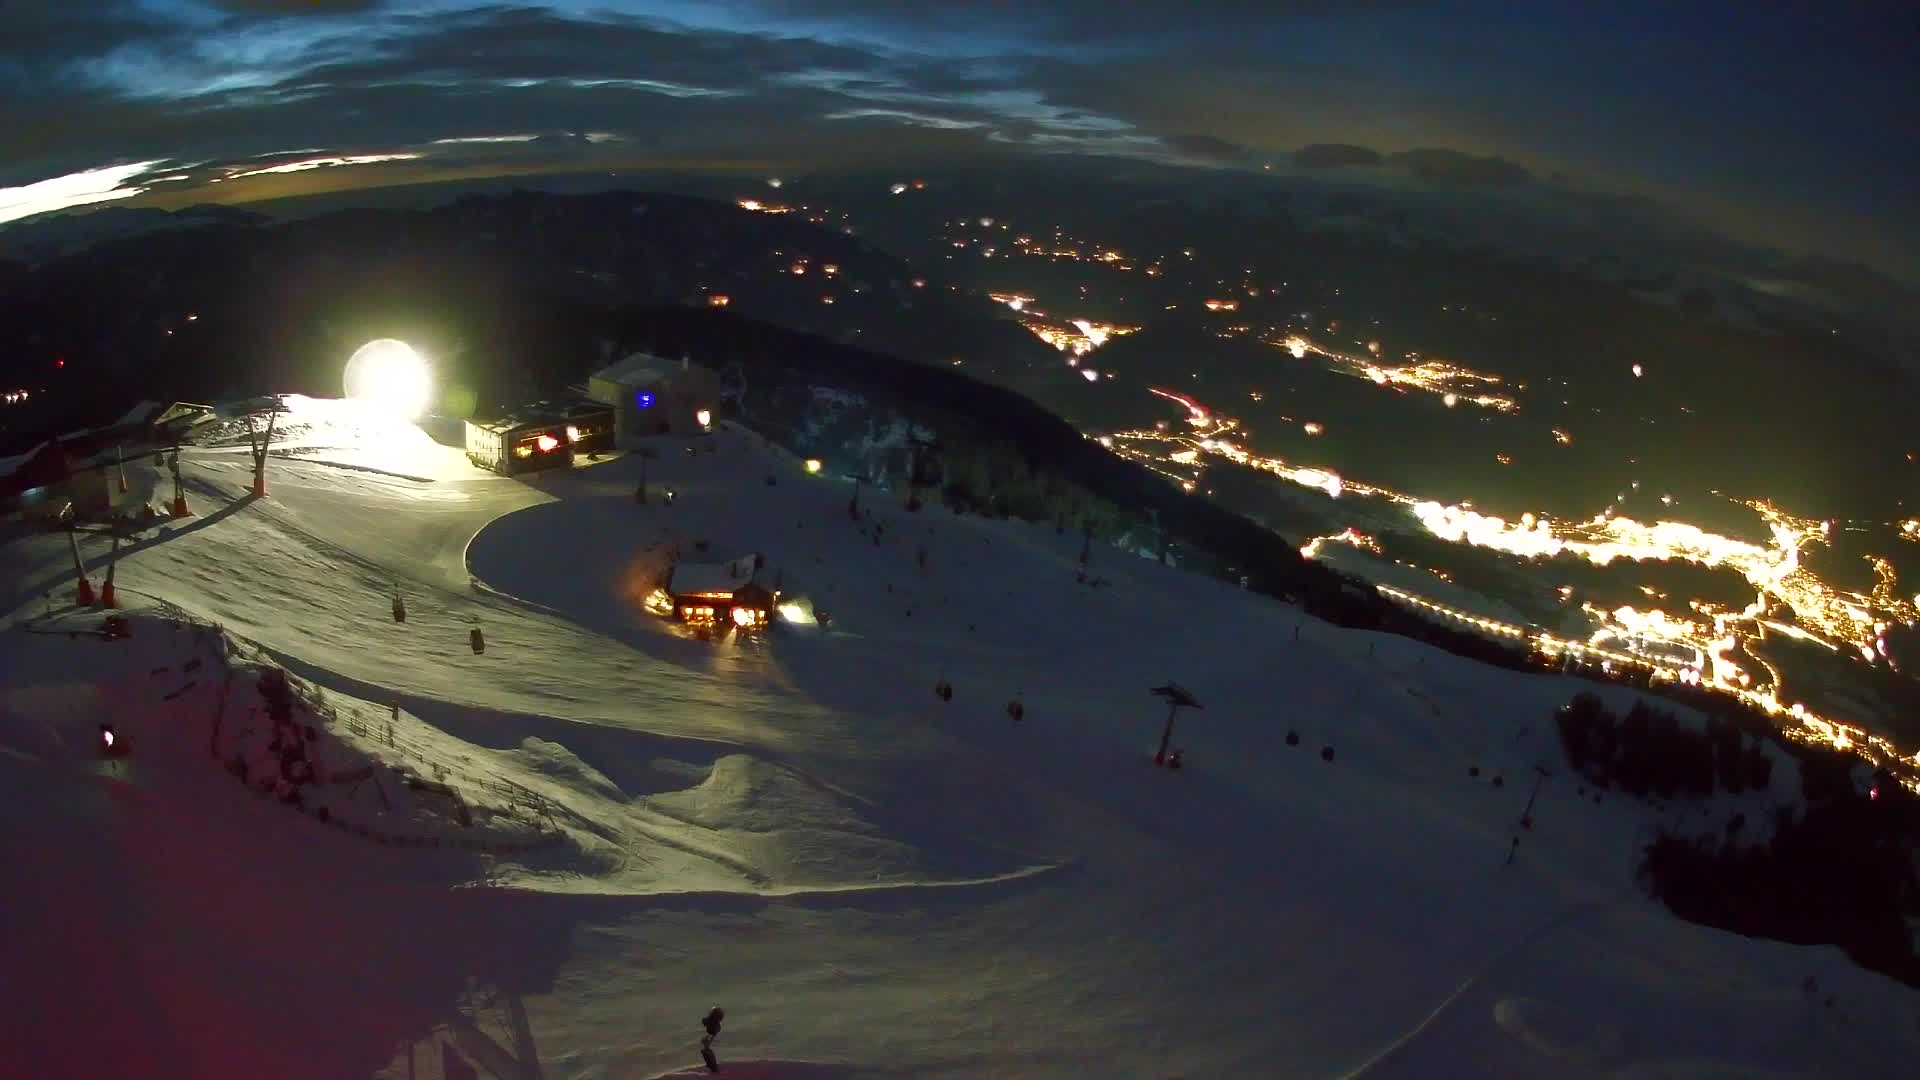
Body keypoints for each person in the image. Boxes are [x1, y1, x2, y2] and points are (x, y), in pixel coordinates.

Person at [700, 1006, 725, 1073]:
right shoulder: (715, 1020)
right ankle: (711, 1065)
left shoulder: (711, 1021)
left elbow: (704, 1021)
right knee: (705, 1049)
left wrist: (706, 1038)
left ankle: (713, 1067)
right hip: (712, 1032)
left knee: (705, 1050)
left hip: (711, 1032)